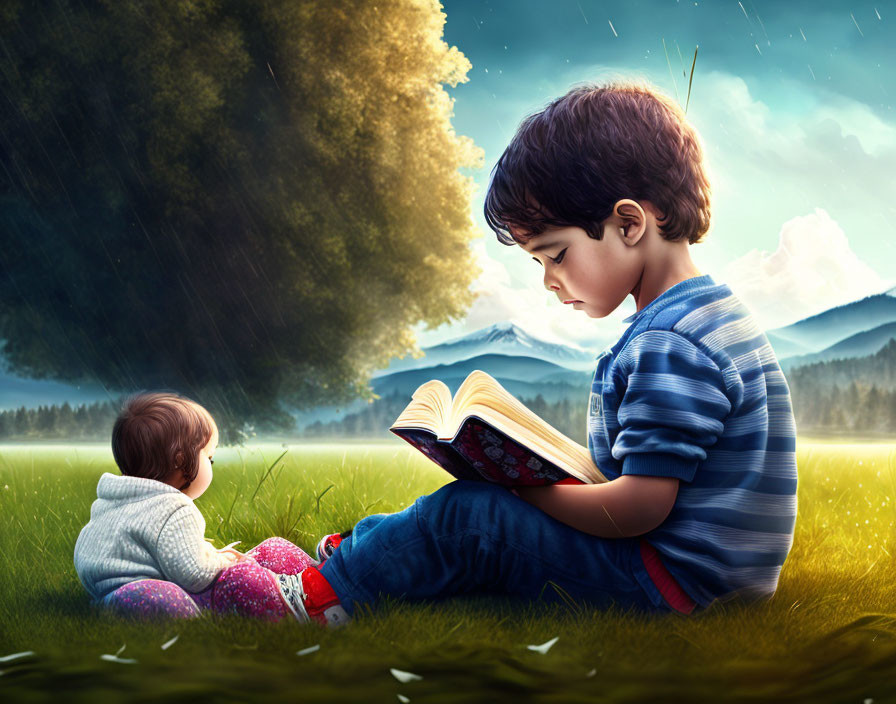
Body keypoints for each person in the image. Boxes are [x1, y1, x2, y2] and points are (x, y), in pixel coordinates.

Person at [284, 80, 799, 625]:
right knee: (468, 513)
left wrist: (526, 491)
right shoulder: (708, 315)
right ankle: (364, 553)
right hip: (712, 581)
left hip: (669, 584)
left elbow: (642, 507)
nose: (550, 281)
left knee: (469, 517)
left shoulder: (666, 343)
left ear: (629, 223)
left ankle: (313, 600)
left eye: (556, 254)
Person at [73, 392, 348, 625]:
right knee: (244, 576)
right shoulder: (174, 508)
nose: (211, 464)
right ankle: (320, 598)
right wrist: (223, 560)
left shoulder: (113, 501)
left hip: (111, 597)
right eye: (210, 457)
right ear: (182, 460)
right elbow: (194, 575)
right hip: (165, 596)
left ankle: (318, 579)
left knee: (271, 548)